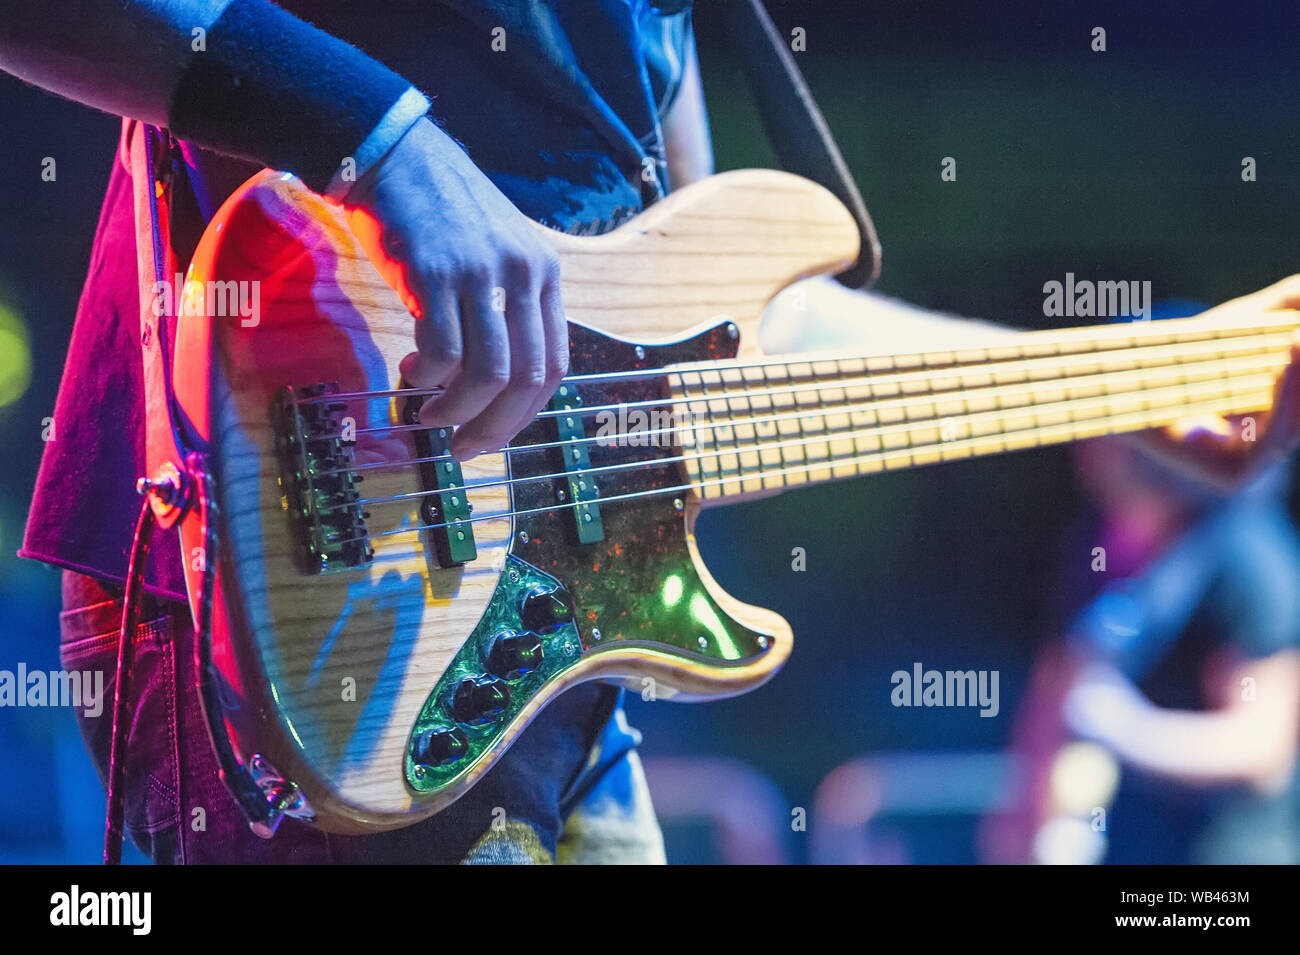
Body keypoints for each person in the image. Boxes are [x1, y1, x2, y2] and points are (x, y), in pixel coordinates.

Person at [5, 1, 1300, 865]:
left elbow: (747, 334)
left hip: (560, 683)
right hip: (282, 564)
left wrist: (1136, 381)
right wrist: (382, 142)